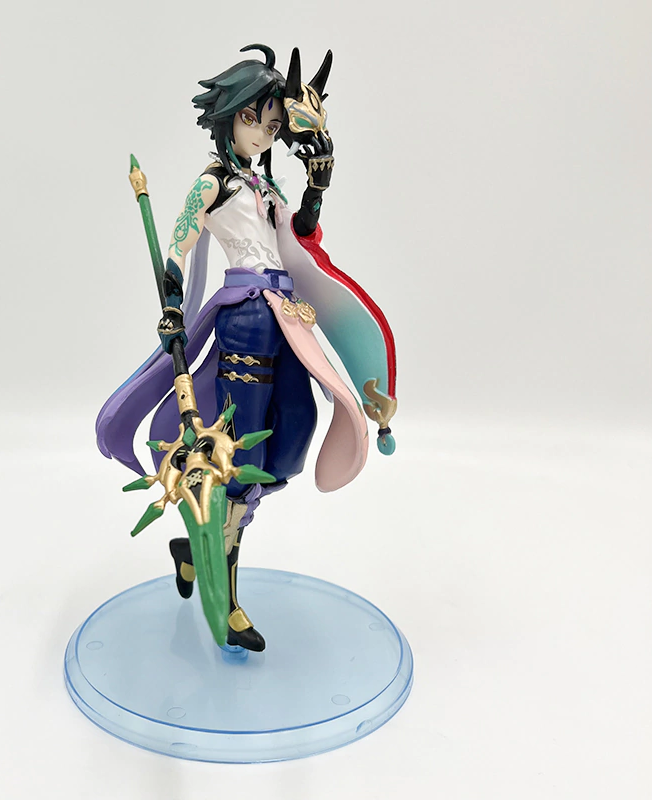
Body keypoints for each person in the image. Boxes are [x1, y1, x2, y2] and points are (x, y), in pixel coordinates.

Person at [96, 44, 397, 651]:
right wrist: (173, 305)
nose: (261, 132)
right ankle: (227, 595)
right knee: (240, 454)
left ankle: (197, 548)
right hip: (247, 319)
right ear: (229, 115)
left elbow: (299, 236)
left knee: (292, 434)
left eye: (271, 124)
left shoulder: (267, 184)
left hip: (286, 316)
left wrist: (317, 184)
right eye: (252, 118)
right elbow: (179, 245)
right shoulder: (212, 183)